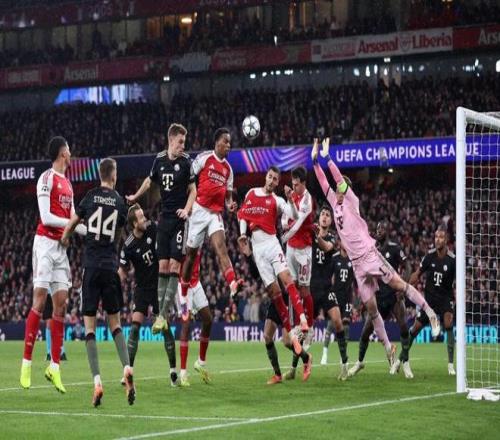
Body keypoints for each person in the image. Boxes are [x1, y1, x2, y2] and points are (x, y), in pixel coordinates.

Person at [312, 138, 440, 367]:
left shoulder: (351, 200)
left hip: (369, 255)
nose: (338, 190)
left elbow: (337, 179)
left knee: (399, 284)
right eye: (337, 189)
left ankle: (429, 311)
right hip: (357, 265)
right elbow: (323, 182)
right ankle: (388, 347)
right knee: (371, 309)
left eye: (341, 188)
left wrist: (328, 158)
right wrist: (315, 161)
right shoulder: (334, 203)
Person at [62, 158, 133, 407]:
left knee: (90, 328)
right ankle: (126, 367)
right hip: (110, 267)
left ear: (100, 174)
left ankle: (97, 382)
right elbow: (120, 234)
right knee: (116, 325)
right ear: (113, 176)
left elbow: (73, 222)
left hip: (91, 267)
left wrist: (65, 237)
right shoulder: (120, 203)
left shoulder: (90, 197)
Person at [20, 136, 86, 393]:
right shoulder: (46, 179)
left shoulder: (68, 184)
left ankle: (54, 367)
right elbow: (46, 217)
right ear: (62, 153)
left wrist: (91, 231)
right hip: (45, 245)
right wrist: (71, 224)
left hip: (61, 248)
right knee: (39, 300)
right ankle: (26, 362)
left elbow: (72, 219)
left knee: (62, 304)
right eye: (68, 149)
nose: (71, 153)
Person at [237, 166, 311, 385]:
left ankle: (303, 322)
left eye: (275, 179)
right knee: (274, 297)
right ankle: (281, 370)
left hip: (271, 244)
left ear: (278, 183)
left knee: (287, 279)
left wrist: (290, 200)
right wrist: (242, 235)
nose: (271, 181)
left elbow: (294, 215)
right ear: (266, 177)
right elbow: (243, 215)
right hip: (258, 251)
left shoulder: (277, 201)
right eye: (270, 177)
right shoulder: (251, 193)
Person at [126, 123, 196, 333]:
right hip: (164, 221)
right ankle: (161, 315)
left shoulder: (186, 162)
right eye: (180, 142)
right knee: (162, 267)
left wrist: (186, 210)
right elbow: (149, 182)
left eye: (184, 142)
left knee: (175, 267)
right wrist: (135, 196)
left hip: (179, 220)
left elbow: (193, 190)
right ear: (171, 140)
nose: (183, 146)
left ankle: (163, 316)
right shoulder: (159, 160)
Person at [180, 128, 243, 320]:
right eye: (226, 141)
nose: (229, 145)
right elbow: (189, 177)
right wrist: (188, 203)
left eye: (230, 142)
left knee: (221, 248)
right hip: (198, 210)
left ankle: (232, 283)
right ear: (217, 142)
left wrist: (229, 205)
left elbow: (228, 197)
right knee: (190, 256)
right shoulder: (204, 158)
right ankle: (184, 293)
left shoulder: (228, 170)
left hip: (215, 214)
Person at [118, 203, 178, 387]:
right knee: (134, 327)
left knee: (165, 327)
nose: (145, 219)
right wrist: (113, 285)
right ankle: (128, 371)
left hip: (159, 285)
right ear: (134, 224)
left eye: (144, 216)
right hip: (142, 289)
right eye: (141, 218)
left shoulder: (152, 228)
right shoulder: (128, 245)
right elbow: (122, 270)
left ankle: (173, 371)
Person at [349, 221, 413, 378]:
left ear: (388, 231)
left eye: (382, 228)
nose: (379, 231)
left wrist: (402, 287)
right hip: (377, 297)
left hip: (393, 296)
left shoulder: (395, 248)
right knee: (365, 332)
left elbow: (408, 267)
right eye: (377, 228)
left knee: (404, 327)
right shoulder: (371, 250)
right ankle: (359, 362)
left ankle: (405, 363)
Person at [396, 226, 456, 376]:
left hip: (445, 298)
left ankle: (450, 365)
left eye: (440, 237)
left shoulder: (452, 260)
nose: (437, 240)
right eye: (436, 237)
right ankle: (400, 359)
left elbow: (459, 281)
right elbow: (417, 274)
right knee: (415, 329)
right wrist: (406, 287)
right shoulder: (429, 256)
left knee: (448, 323)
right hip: (429, 301)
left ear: (446, 240)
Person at [281, 166, 315, 344]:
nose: (294, 188)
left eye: (296, 185)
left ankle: (310, 328)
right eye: (292, 184)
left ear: (303, 183)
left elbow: (297, 224)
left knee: (304, 289)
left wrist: (283, 237)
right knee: (291, 287)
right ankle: (296, 326)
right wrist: (284, 224)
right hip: (291, 249)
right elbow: (285, 217)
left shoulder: (307, 200)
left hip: (304, 250)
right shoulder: (292, 196)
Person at [175, 249, 213, 387]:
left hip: (196, 283)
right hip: (182, 285)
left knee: (208, 319)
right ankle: (183, 372)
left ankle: (200, 363)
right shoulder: (181, 238)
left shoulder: (200, 236)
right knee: (186, 325)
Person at [43, 295, 67, 362]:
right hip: (48, 295)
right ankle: (49, 353)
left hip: (58, 293)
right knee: (49, 323)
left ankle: (62, 352)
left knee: (60, 321)